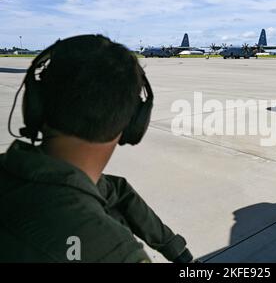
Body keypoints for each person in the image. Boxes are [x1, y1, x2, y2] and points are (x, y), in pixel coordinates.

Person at [0, 35, 193, 263]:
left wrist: (178, 252)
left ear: (36, 103)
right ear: (133, 123)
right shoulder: (114, 252)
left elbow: (114, 190)